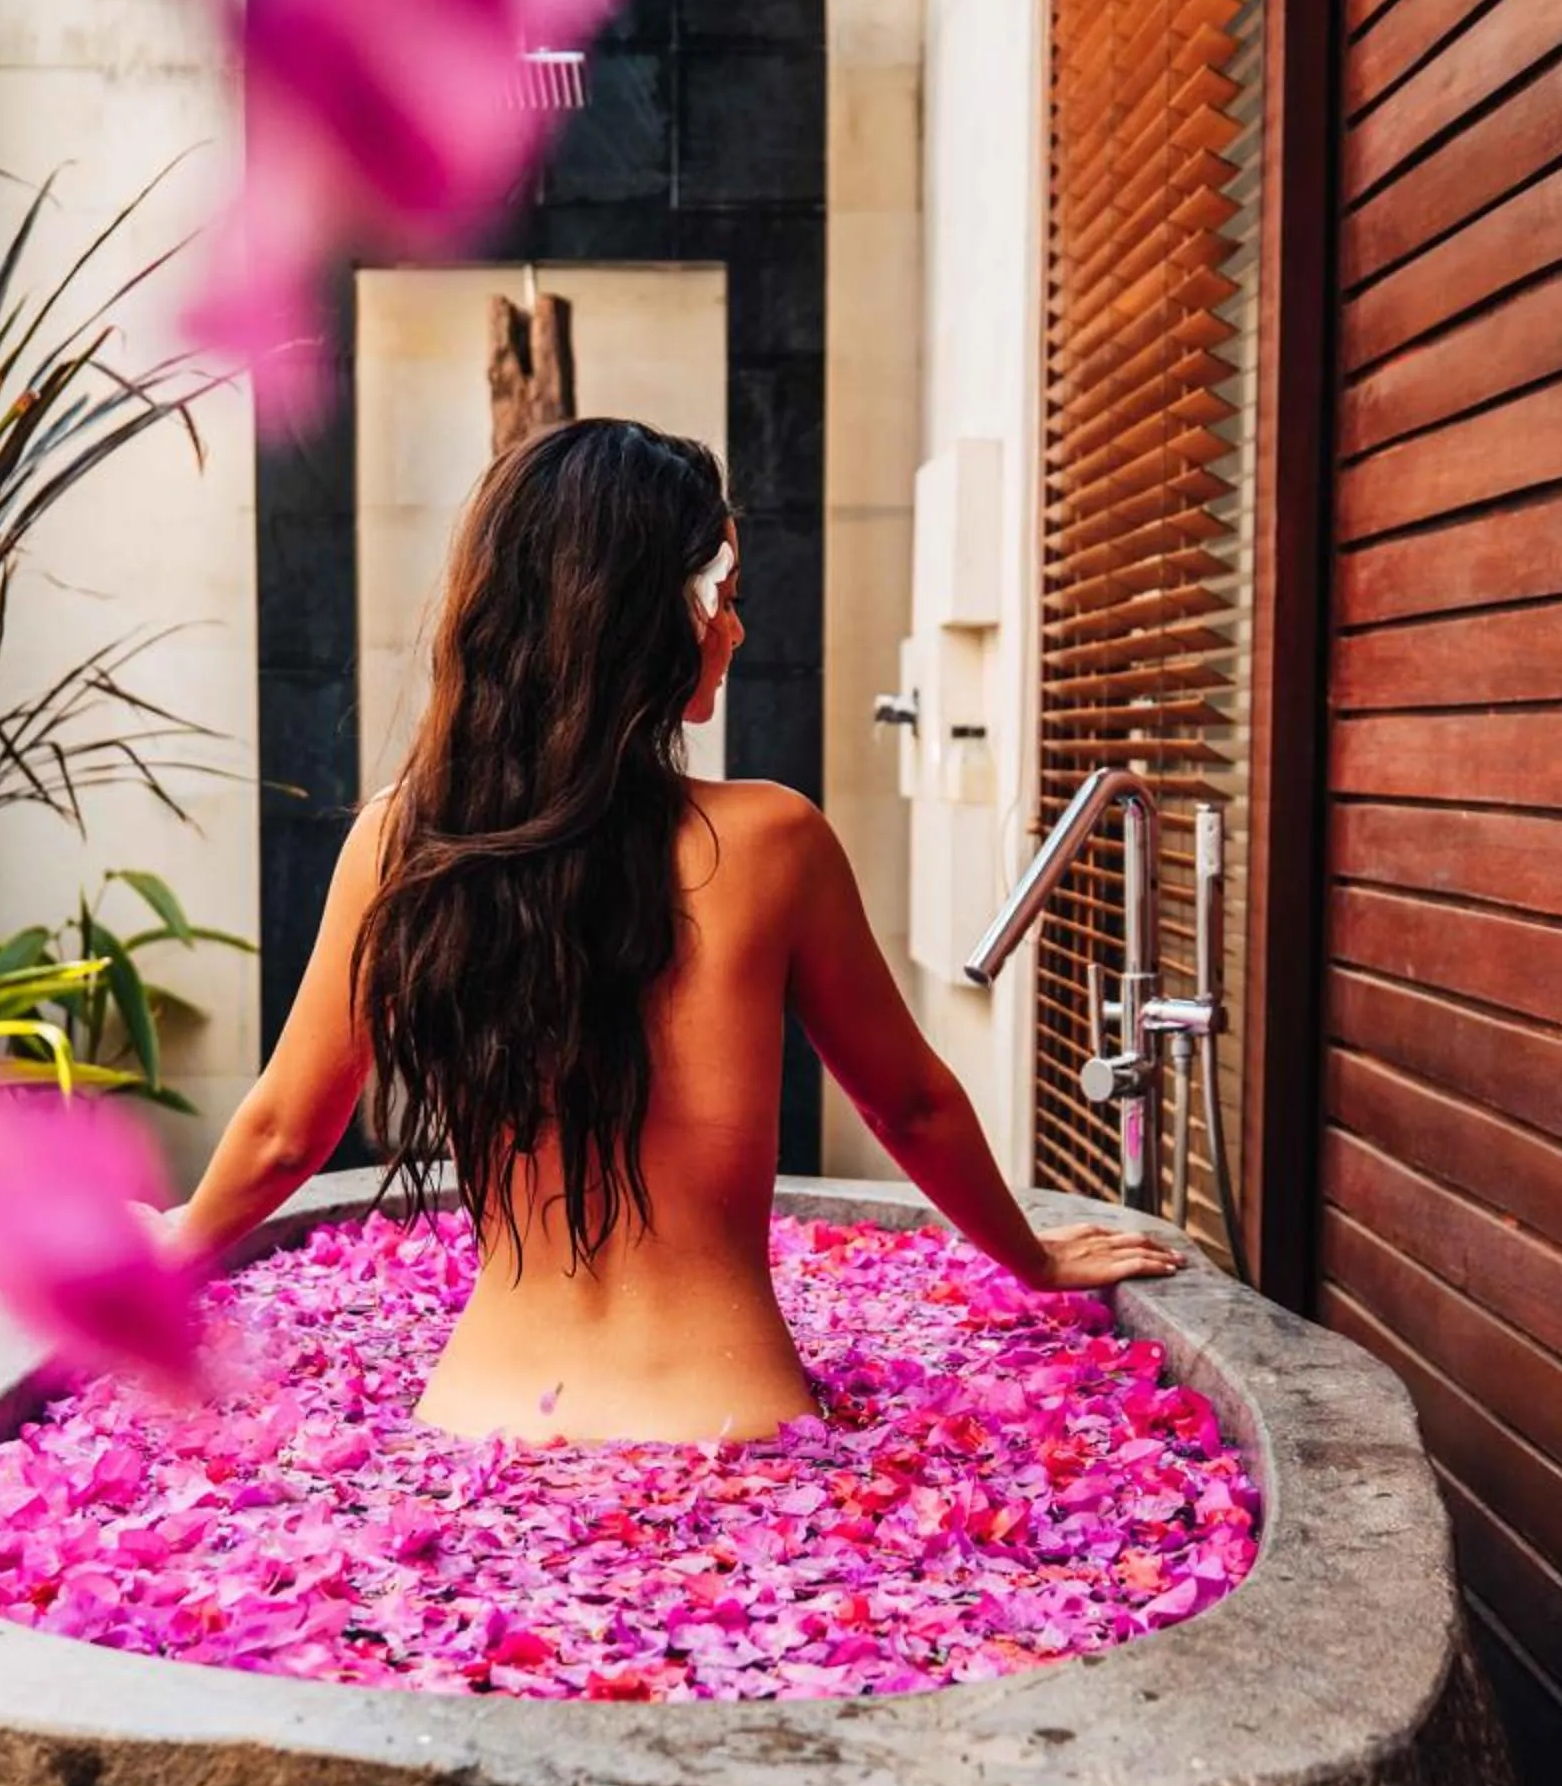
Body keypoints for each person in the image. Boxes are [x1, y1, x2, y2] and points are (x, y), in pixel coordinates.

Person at [179, 418, 1180, 1442]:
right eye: (726, 600)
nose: (736, 633)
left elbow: (285, 1131)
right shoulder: (775, 841)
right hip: (732, 1425)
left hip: (483, 1432)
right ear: (646, 617)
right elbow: (911, 1105)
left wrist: (174, 1241)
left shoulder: (403, 842)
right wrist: (1034, 1258)